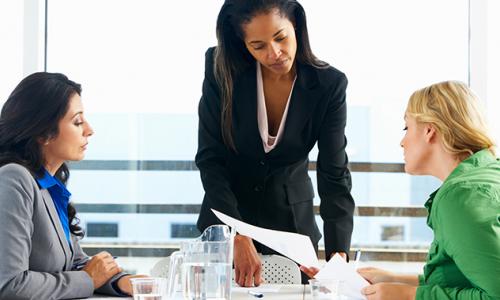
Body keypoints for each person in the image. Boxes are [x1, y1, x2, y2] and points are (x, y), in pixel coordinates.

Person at [196, 0, 355, 286]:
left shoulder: (329, 85)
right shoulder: (222, 69)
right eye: (258, 45)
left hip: (292, 231)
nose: (274, 53)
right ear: (243, 44)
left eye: (281, 37)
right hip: (225, 224)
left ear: (296, 24)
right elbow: (211, 159)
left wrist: (338, 253)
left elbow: (334, 174)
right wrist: (235, 232)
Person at [0, 72, 141, 299]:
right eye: (77, 121)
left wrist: (120, 281)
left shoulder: (49, 186)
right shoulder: (13, 179)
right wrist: (88, 279)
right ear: (43, 133)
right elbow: (10, 284)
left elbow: (75, 263)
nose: (89, 130)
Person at [355, 81, 500, 299]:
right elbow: (467, 276)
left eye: (407, 128)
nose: (402, 142)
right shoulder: (487, 172)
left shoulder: (461, 196)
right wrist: (394, 279)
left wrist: (410, 295)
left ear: (429, 130)